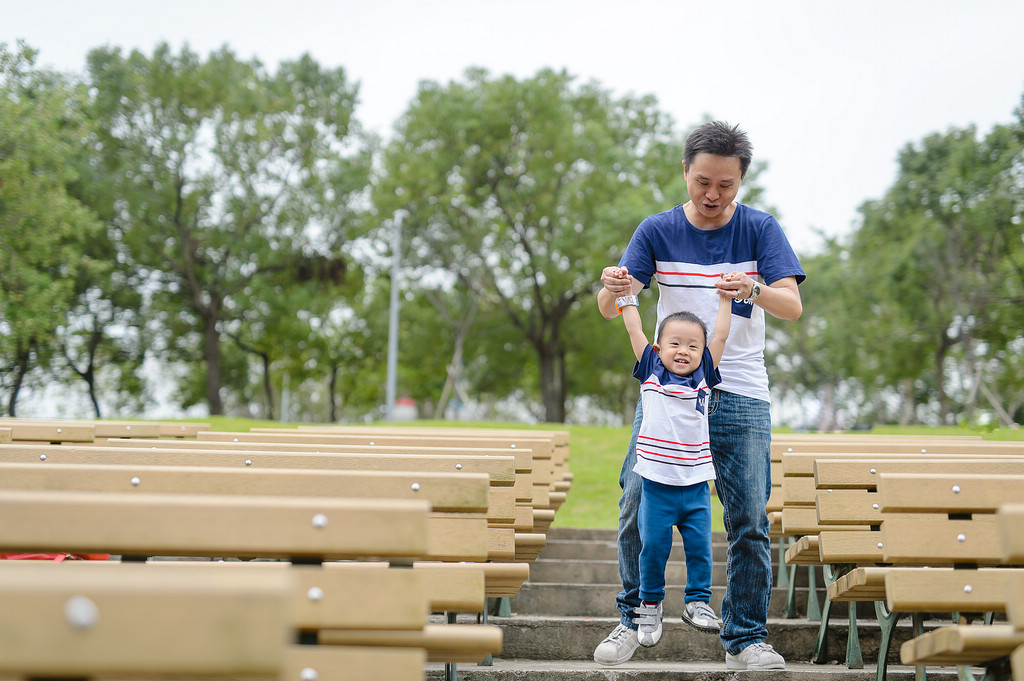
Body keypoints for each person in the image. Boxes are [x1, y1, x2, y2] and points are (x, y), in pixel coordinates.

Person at [593, 121, 805, 670]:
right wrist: (613, 288)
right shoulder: (656, 230)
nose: (712, 195)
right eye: (703, 181)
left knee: (749, 517)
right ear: (685, 171)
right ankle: (631, 616)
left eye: (726, 185)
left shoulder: (761, 230)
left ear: (741, 182)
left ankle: (746, 637)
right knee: (636, 501)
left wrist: (753, 289)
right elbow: (612, 303)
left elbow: (791, 305)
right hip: (668, 393)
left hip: (740, 391)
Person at [613, 273, 735, 648]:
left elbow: (721, 337)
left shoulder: (703, 377)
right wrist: (626, 299)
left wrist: (726, 302)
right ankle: (649, 605)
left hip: (696, 485)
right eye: (675, 344)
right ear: (659, 348)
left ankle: (697, 601)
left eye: (692, 346)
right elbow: (635, 331)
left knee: (701, 548)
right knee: (653, 548)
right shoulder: (652, 372)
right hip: (658, 485)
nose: (684, 351)